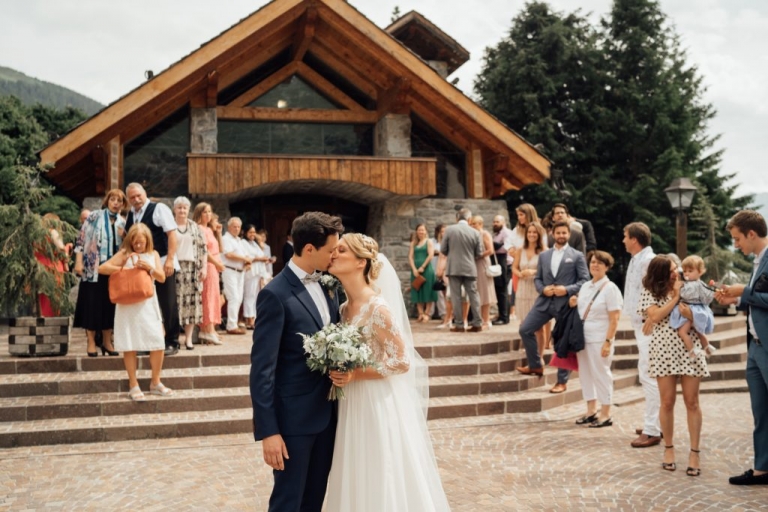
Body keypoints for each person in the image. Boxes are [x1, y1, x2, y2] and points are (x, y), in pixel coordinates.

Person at [326, 233, 451, 511]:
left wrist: (356, 374)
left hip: (375, 399)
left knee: (379, 465)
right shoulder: (344, 308)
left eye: (341, 250)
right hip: (352, 401)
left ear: (360, 262)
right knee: (355, 465)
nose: (333, 254)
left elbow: (402, 361)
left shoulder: (378, 308)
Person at [250, 211, 344, 512]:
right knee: (288, 502)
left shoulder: (330, 286)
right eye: (331, 250)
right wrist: (269, 432)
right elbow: (262, 371)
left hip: (328, 417)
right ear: (308, 249)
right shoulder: (274, 295)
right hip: (292, 424)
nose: (334, 256)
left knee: (314, 500)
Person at [639, 255, 708, 477]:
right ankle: (668, 450)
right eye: (671, 269)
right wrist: (676, 297)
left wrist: (692, 312)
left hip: (690, 347)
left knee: (692, 402)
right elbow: (656, 315)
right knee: (667, 402)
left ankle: (694, 453)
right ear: (659, 272)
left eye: (676, 267)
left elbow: (703, 311)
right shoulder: (649, 290)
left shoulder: (690, 284)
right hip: (663, 351)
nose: (676, 271)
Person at [716, 210, 768, 486]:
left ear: (751, 233)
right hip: (755, 348)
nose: (736, 245)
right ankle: (763, 469)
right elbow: (758, 301)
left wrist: (743, 292)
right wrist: (734, 301)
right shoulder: (758, 260)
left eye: (737, 239)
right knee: (761, 413)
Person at [98, 224, 173, 401]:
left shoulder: (153, 254)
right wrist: (125, 270)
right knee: (130, 343)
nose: (138, 245)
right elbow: (102, 268)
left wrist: (149, 268)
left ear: (147, 240)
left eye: (141, 242)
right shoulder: (125, 253)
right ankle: (133, 384)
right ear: (130, 240)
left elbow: (161, 278)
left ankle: (155, 382)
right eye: (135, 242)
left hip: (148, 304)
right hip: (127, 305)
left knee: (157, 341)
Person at [517, 220, 589, 395]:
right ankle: (535, 365)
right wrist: (543, 289)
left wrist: (567, 289)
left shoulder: (577, 255)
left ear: (569, 235)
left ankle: (561, 381)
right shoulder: (544, 255)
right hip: (544, 301)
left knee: (562, 341)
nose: (561, 236)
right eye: (558, 233)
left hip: (565, 304)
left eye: (564, 233)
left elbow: (585, 280)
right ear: (553, 235)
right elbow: (538, 278)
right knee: (525, 329)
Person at [124, 183, 180, 356]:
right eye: (132, 197)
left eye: (138, 195)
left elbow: (172, 234)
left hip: (162, 263)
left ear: (145, 193)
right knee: (147, 306)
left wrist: (170, 259)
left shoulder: (158, 208)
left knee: (167, 303)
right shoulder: (131, 215)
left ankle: (172, 342)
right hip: (141, 267)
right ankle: (149, 342)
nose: (136, 199)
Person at [571, 251, 622, 428]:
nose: (595, 265)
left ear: (607, 267)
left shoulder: (611, 288)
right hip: (582, 338)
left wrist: (608, 341)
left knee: (601, 374)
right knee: (585, 374)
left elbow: (615, 318)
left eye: (600, 263)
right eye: (593, 262)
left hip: (600, 338)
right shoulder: (585, 286)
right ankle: (591, 410)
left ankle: (606, 412)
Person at [622, 222, 661, 448]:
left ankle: (652, 429)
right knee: (647, 373)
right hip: (641, 323)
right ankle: (657, 423)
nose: (623, 240)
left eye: (625, 237)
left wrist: (650, 317)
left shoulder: (648, 261)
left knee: (649, 375)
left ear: (634, 239)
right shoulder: (637, 259)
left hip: (649, 325)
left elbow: (656, 291)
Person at [73, 189, 126, 357]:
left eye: (119, 200)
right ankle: (90, 342)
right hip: (93, 269)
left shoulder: (122, 222)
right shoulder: (94, 216)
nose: (116, 203)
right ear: (107, 201)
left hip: (113, 271)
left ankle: (107, 342)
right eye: (113, 199)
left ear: (123, 204)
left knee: (110, 306)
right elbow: (81, 240)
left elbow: (126, 247)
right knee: (92, 305)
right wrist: (78, 261)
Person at [439, 208, 484, 333]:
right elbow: (479, 253)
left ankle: (459, 324)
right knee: (474, 295)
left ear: (457, 218)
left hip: (453, 268)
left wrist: (453, 253)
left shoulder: (449, 230)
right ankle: (477, 323)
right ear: (469, 219)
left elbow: (443, 249)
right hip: (470, 267)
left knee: (456, 296)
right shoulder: (475, 233)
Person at [173, 197, 207, 350]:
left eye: (185, 208)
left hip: (192, 270)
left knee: (191, 306)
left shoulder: (194, 227)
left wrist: (204, 267)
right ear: (174, 209)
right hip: (174, 268)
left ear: (189, 210)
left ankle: (188, 339)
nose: (182, 210)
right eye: (179, 207)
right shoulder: (170, 226)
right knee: (173, 304)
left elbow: (203, 249)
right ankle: (172, 338)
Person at [513, 221, 548, 358]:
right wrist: (519, 273)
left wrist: (533, 272)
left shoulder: (544, 251)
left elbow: (548, 270)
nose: (532, 234)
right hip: (522, 289)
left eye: (534, 232)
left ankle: (540, 355)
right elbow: (514, 267)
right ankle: (529, 350)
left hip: (536, 290)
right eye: (529, 232)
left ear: (539, 234)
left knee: (539, 327)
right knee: (524, 324)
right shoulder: (520, 250)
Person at [670, 255, 716, 358]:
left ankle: (692, 350)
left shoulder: (694, 285)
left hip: (691, 309)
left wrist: (678, 289)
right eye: (685, 271)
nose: (686, 274)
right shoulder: (697, 284)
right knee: (699, 331)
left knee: (682, 332)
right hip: (695, 310)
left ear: (700, 272)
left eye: (690, 271)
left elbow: (704, 298)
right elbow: (707, 298)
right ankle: (707, 347)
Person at [192, 203, 224, 345]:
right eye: (205, 212)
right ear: (199, 213)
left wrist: (218, 233)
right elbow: (204, 251)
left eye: (210, 212)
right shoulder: (199, 229)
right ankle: (207, 329)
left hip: (215, 267)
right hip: (209, 265)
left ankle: (211, 329)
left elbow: (220, 249)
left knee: (214, 297)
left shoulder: (209, 230)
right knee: (208, 297)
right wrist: (217, 264)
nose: (208, 215)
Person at [35, 213, 73, 317]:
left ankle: (42, 320)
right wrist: (68, 248)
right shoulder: (53, 232)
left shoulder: (37, 235)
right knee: (53, 298)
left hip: (40, 268)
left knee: (42, 298)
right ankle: (52, 323)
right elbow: (61, 251)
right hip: (53, 268)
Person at [220, 217, 251, 335]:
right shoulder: (225, 239)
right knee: (233, 297)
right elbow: (228, 254)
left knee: (238, 298)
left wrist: (247, 262)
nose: (237, 229)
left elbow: (245, 255)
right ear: (229, 227)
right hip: (229, 270)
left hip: (240, 271)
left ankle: (234, 323)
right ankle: (231, 325)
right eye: (234, 226)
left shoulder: (239, 240)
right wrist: (245, 258)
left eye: (238, 227)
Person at [470, 215, 497, 330]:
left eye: (474, 224)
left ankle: (486, 320)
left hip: (482, 264)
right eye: (471, 224)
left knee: (485, 292)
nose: (472, 226)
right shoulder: (473, 234)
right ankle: (480, 318)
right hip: (474, 264)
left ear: (480, 224)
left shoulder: (484, 234)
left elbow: (490, 250)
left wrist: (478, 255)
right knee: (478, 292)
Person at [242, 225, 270, 330]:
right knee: (249, 295)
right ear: (245, 233)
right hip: (251, 272)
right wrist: (259, 258)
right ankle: (248, 318)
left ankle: (254, 317)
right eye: (250, 232)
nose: (252, 234)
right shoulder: (243, 243)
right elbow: (247, 257)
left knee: (255, 296)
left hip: (258, 272)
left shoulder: (254, 244)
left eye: (254, 232)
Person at [409, 223, 438, 322]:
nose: (421, 232)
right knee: (417, 289)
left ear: (426, 231)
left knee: (428, 290)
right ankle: (420, 313)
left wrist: (422, 267)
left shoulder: (429, 242)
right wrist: (414, 269)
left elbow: (430, 255)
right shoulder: (414, 243)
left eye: (422, 230)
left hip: (426, 269)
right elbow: (410, 257)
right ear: (416, 231)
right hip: (415, 269)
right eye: (419, 230)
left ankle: (427, 313)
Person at [492, 215, 514, 325]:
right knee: (499, 290)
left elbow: (507, 247)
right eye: (494, 221)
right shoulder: (497, 234)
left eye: (497, 221)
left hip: (505, 261)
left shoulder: (506, 233)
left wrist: (494, 246)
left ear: (503, 222)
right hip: (498, 261)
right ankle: (501, 314)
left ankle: (504, 317)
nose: (495, 223)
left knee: (503, 290)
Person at [430, 224, 447, 321]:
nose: (443, 233)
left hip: (443, 268)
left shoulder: (447, 242)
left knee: (442, 292)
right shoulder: (432, 241)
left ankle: (443, 312)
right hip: (433, 266)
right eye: (441, 231)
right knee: (434, 290)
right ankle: (431, 312)